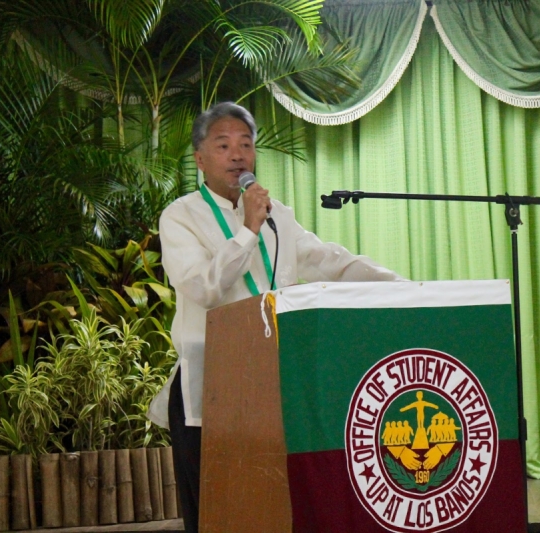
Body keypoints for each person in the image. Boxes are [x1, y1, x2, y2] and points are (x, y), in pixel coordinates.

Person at [147, 102, 404, 533]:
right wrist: (248, 229)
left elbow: (328, 261)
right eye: (223, 145)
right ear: (200, 158)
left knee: (273, 508)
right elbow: (204, 289)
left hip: (273, 384)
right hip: (209, 389)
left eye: (246, 145)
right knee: (216, 514)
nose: (237, 155)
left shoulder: (277, 215)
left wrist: (399, 284)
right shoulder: (180, 216)